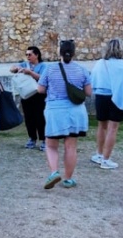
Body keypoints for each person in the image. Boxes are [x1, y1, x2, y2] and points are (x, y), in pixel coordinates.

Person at [37, 39, 92, 189]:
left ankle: (54, 172)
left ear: (59, 52)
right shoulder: (82, 70)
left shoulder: (50, 69)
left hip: (55, 110)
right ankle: (68, 179)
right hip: (76, 111)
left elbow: (40, 89)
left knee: (51, 144)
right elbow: (88, 92)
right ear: (74, 53)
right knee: (71, 146)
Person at [90, 39, 123, 169]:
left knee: (102, 126)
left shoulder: (100, 63)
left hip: (101, 96)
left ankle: (99, 154)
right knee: (112, 128)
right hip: (115, 97)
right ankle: (106, 159)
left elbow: (93, 79)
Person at [9, 46, 48, 151]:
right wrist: (17, 69)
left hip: (39, 95)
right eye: (26, 54)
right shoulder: (24, 65)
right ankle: (32, 138)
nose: (28, 57)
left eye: (30, 54)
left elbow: (43, 78)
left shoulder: (43, 66)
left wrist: (30, 72)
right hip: (26, 95)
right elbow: (12, 68)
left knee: (41, 117)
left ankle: (44, 139)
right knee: (29, 117)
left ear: (37, 55)